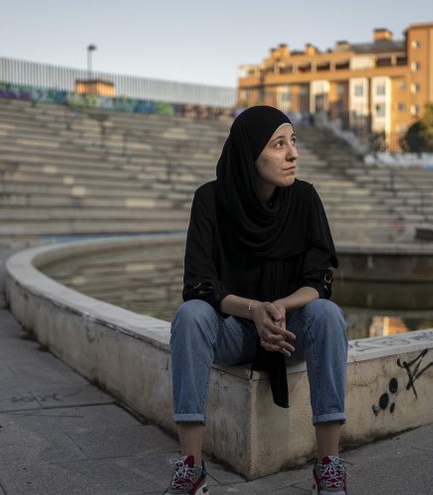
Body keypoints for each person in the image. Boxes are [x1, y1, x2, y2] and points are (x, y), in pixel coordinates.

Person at [164, 106, 349, 495]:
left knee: (327, 314)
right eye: (279, 144)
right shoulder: (210, 200)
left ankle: (328, 466)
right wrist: (253, 309)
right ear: (250, 153)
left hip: (288, 332)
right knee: (191, 315)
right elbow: (199, 284)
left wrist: (278, 307)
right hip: (234, 332)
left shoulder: (304, 199)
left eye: (293, 142)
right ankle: (192, 469)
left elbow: (320, 281)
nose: (293, 154)